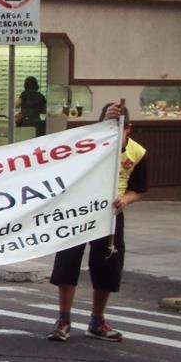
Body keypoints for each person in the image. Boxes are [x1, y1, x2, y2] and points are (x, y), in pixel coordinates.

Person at [47, 102, 147, 343]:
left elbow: (139, 189)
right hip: (79, 211)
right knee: (67, 261)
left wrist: (125, 200)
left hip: (110, 214)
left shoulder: (137, 152)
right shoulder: (86, 146)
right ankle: (63, 320)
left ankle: (97, 320)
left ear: (129, 129)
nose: (113, 133)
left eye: (118, 128)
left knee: (107, 265)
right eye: (107, 127)